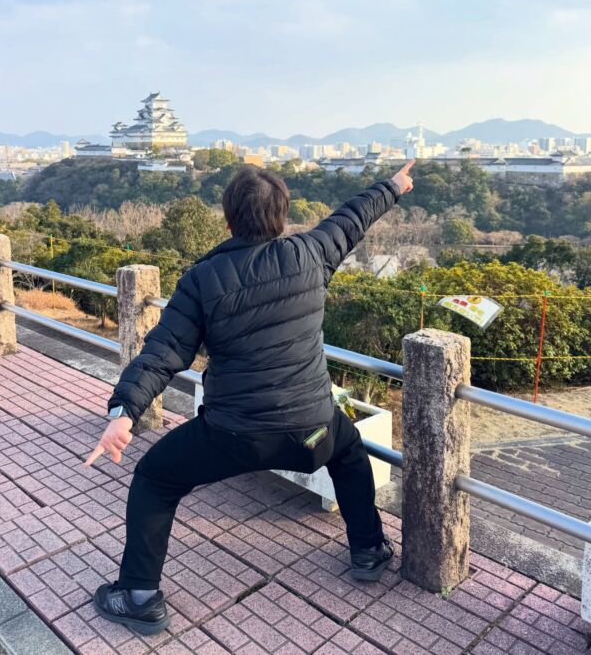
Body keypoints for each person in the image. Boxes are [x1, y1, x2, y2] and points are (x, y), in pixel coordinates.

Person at [87, 160, 415, 635]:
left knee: (154, 478)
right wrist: (394, 185)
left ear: (227, 220)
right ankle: (368, 549)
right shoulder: (311, 252)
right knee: (348, 451)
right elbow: (353, 216)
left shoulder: (203, 280)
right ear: (282, 217)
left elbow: (163, 351)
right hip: (314, 429)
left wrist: (124, 412)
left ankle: (138, 596)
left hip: (235, 436)